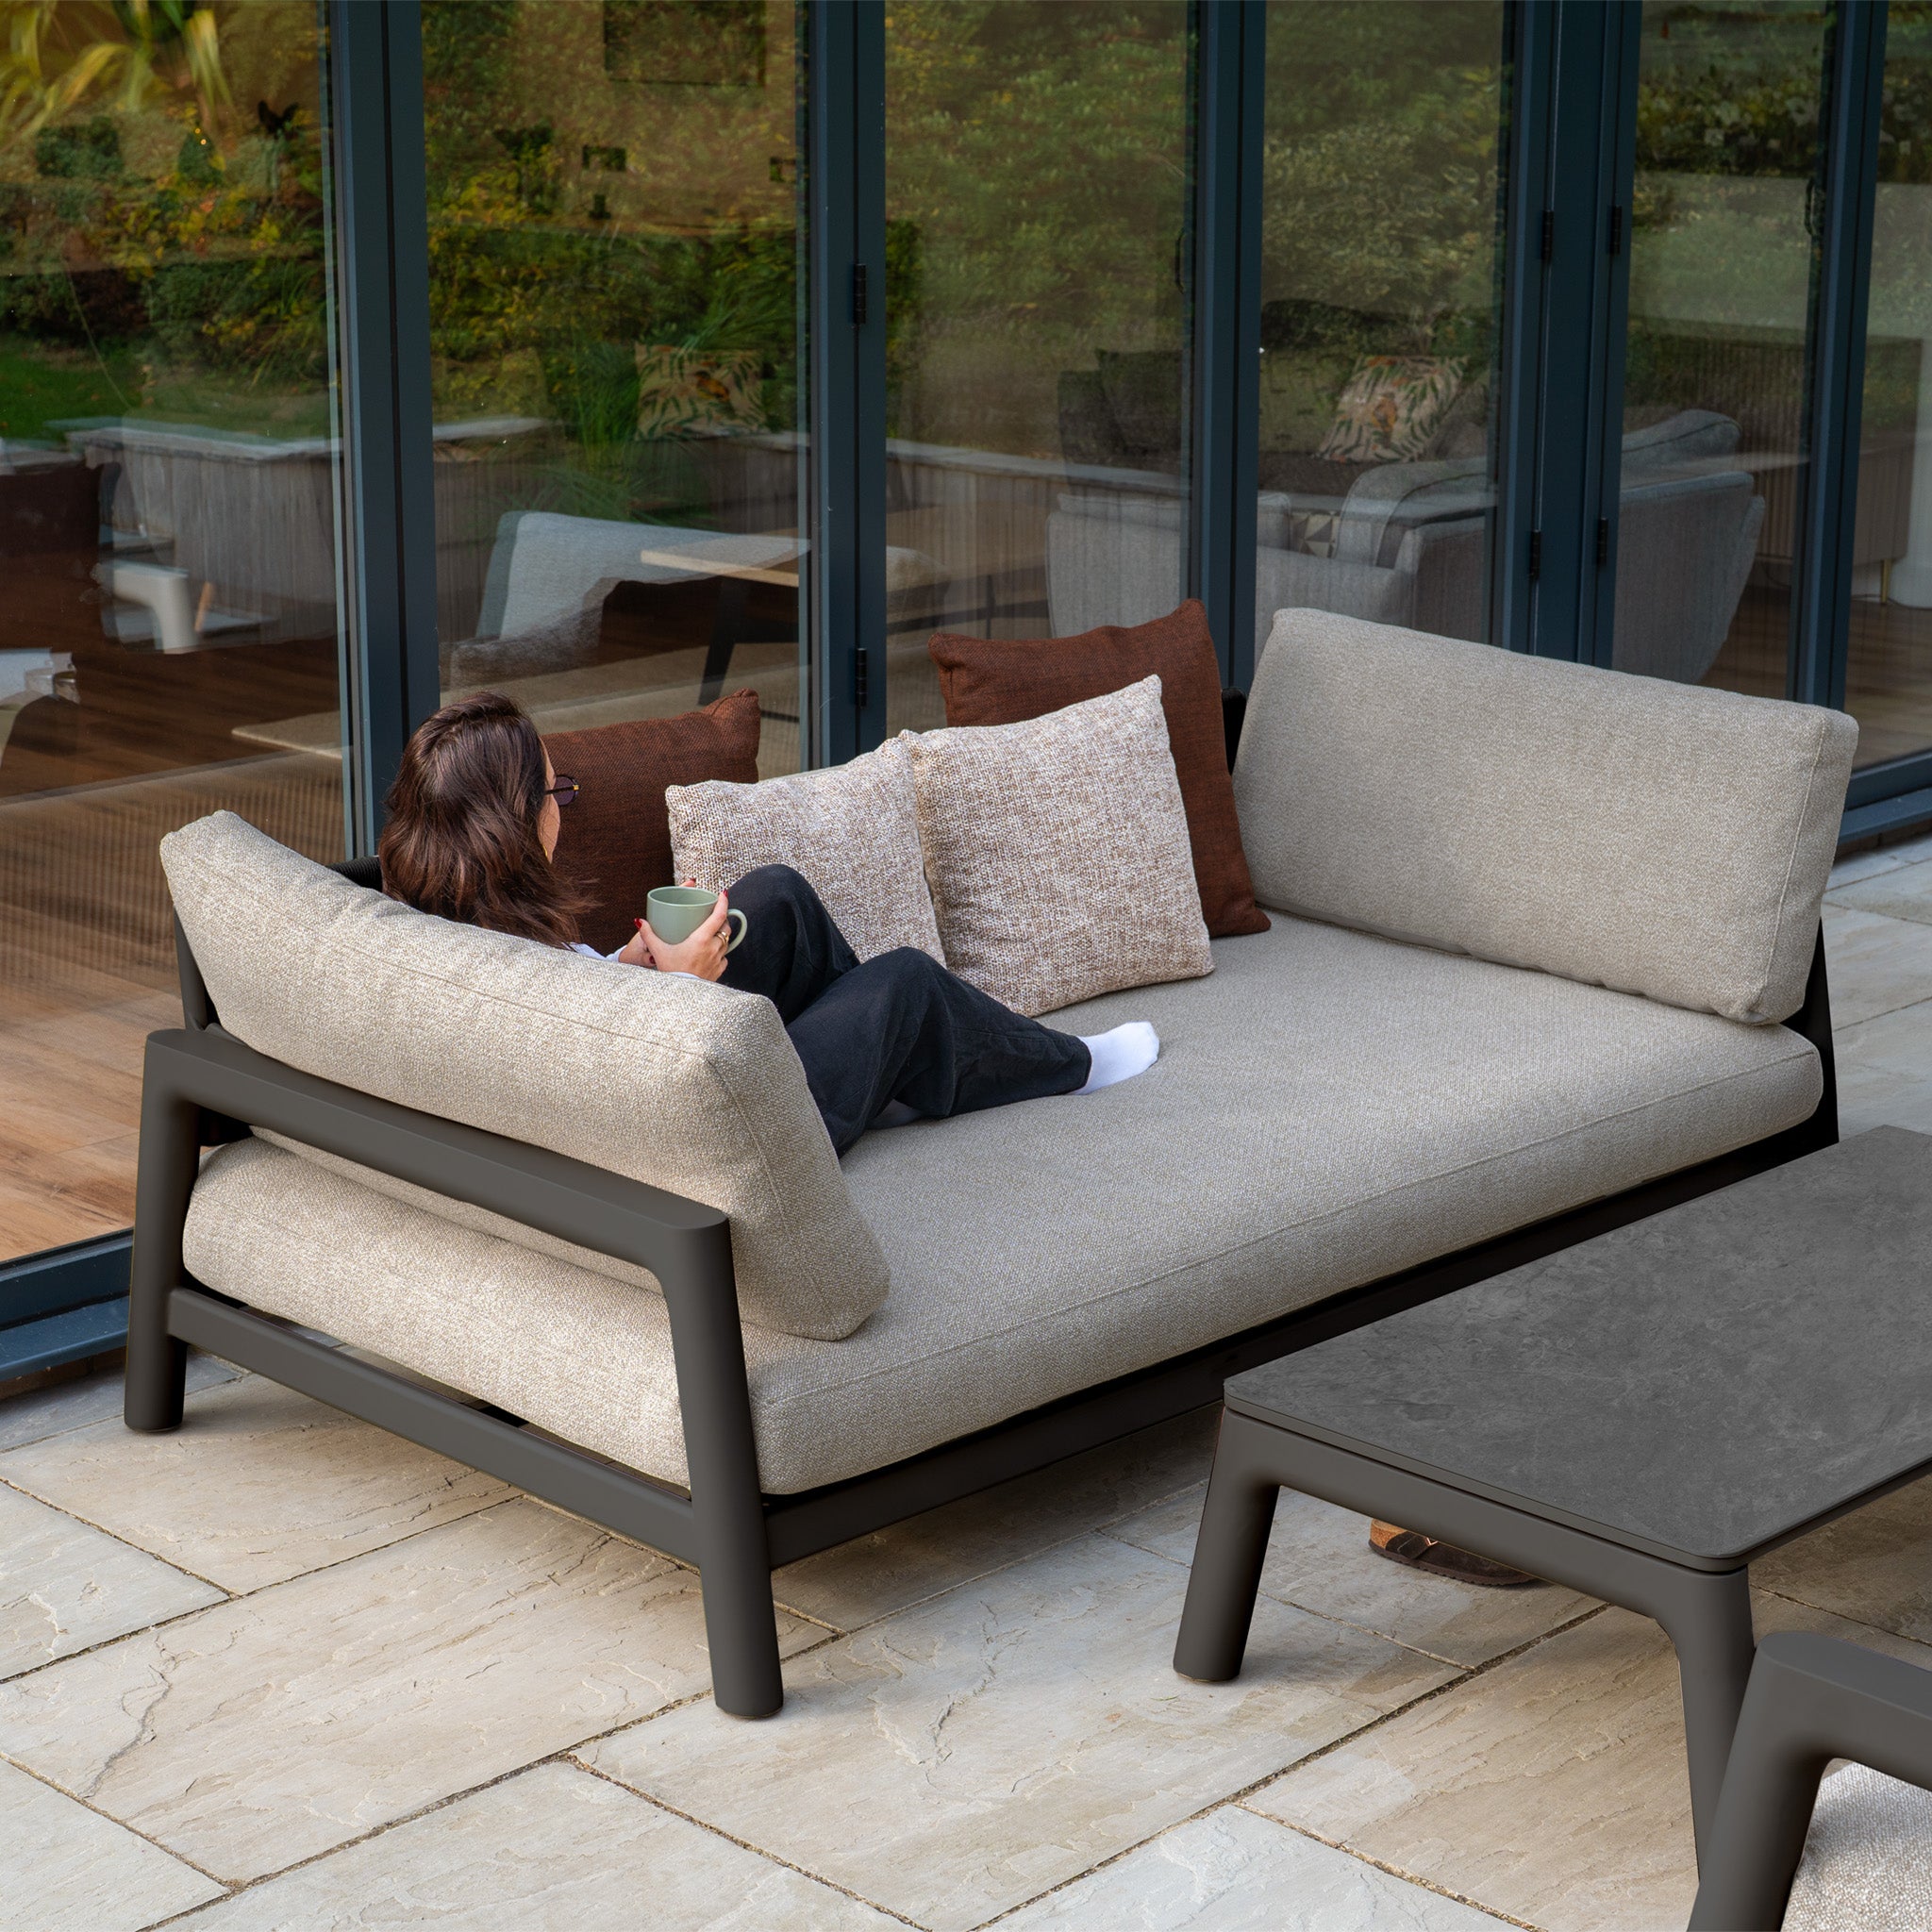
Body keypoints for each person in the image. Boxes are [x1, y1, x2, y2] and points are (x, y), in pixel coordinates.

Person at [375, 691, 1159, 1152]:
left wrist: (629, 972)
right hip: (708, 1136)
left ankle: (881, 1073)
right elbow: (629, 1085)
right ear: (512, 823)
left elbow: (573, 1009)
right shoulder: (514, 970)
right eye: (556, 796)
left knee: (774, 899)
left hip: (657, 1069)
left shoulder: (451, 924)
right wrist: (673, 991)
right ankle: (1069, 1065)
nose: (562, 812)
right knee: (905, 986)